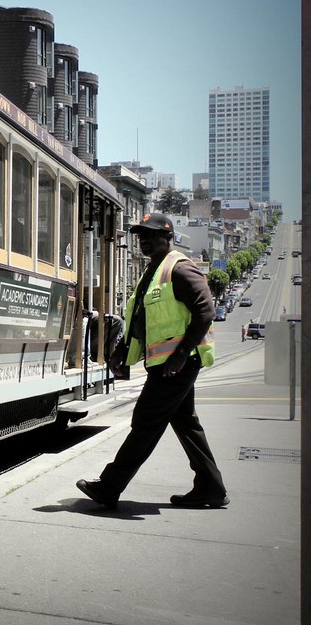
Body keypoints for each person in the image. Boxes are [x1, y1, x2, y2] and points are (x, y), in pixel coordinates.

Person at [77, 212, 227, 510]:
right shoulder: (152, 272)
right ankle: (211, 486)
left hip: (177, 364)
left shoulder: (180, 269)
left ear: (167, 237)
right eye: (140, 235)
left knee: (145, 422)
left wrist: (182, 354)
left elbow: (205, 312)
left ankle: (110, 486)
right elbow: (140, 320)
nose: (143, 240)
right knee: (186, 424)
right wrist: (122, 352)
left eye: (150, 235)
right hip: (165, 364)